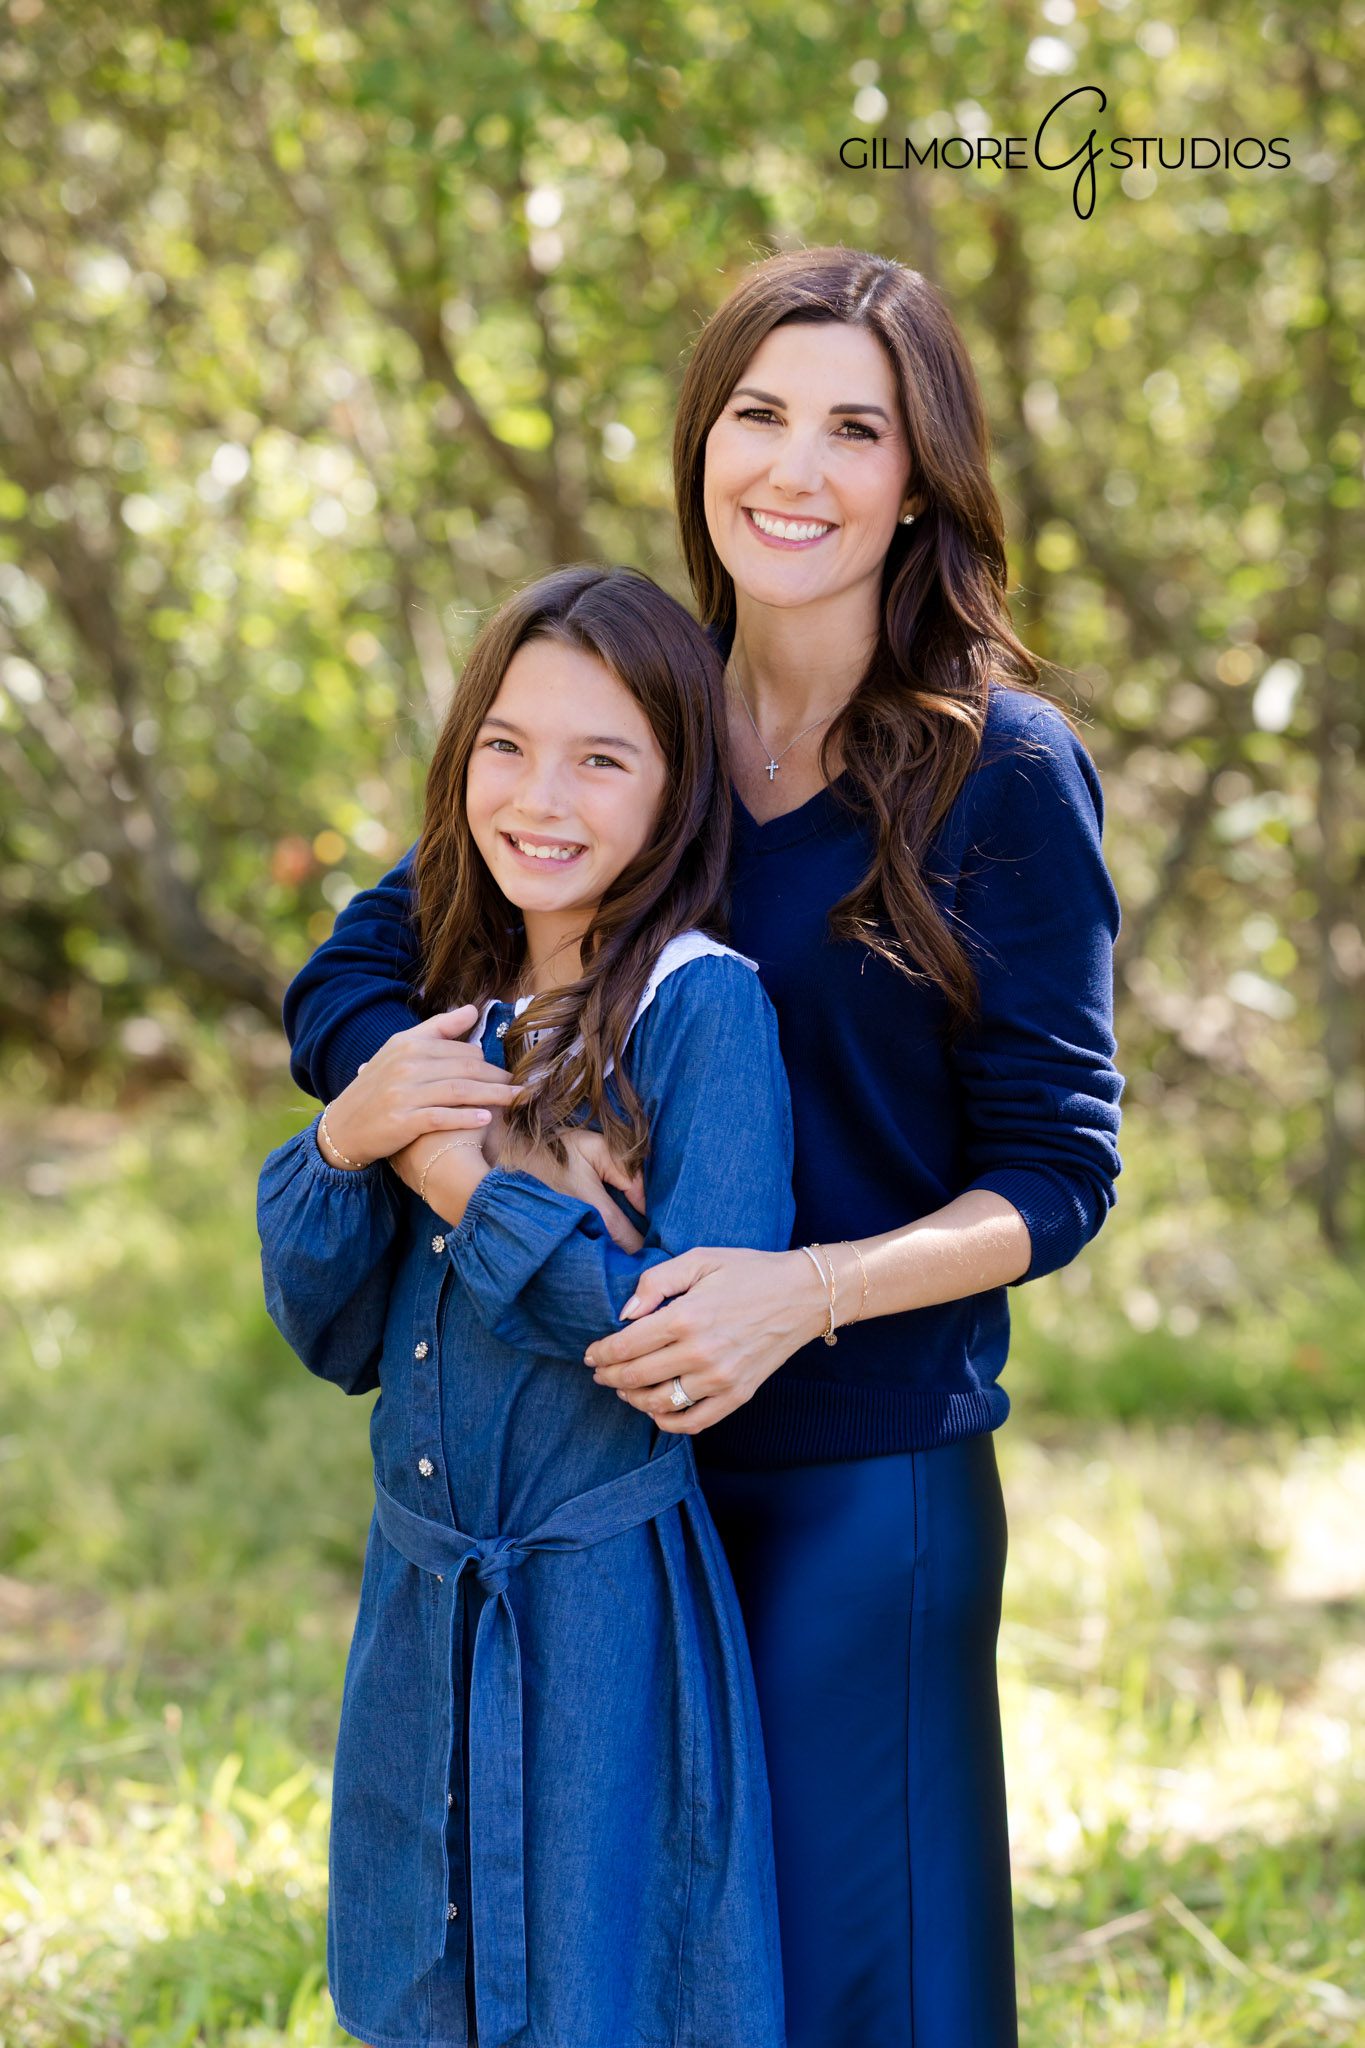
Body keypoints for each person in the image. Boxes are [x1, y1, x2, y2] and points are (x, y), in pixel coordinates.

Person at [282, 246, 1125, 2048]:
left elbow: (1057, 1173)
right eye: (758, 415)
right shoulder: (624, 715)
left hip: (850, 1488)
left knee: (843, 2002)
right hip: (595, 1490)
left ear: (920, 484)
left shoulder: (998, 773)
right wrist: (466, 1155)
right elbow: (352, 976)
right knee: (621, 1991)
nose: (794, 472)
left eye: (854, 429)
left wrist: (797, 1295)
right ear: (701, 443)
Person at [257, 564, 798, 2048]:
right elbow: (330, 1332)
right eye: (506, 744)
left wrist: (458, 1182)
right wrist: (344, 1136)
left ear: (677, 788)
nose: (539, 796)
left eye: (600, 757)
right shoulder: (443, 1016)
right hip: (423, 1594)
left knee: (608, 1975)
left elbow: (672, 1346)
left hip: (601, 1604)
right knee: (415, 1971)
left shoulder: (706, 1011)